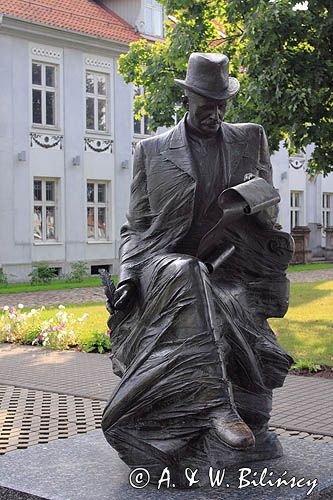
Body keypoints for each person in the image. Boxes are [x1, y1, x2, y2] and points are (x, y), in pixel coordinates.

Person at [102, 53, 293, 479]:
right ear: (187, 98)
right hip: (162, 263)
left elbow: (270, 208)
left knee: (204, 278)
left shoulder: (250, 138)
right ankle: (217, 406)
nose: (217, 111)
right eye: (207, 102)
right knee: (189, 271)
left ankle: (231, 407)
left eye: (223, 102)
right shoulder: (151, 151)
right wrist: (130, 277)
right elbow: (136, 227)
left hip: (228, 263)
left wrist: (255, 202)